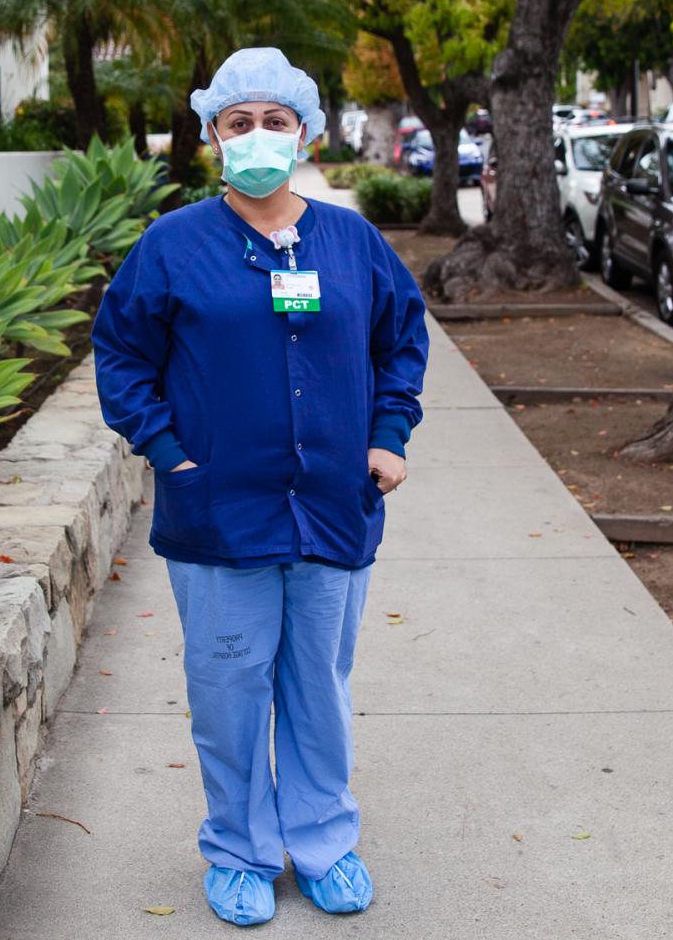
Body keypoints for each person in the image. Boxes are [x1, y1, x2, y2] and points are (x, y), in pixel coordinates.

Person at [90, 46, 429, 927]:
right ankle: (239, 849)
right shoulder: (172, 246)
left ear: (307, 132)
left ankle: (320, 841)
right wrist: (170, 451)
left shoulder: (351, 242)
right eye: (238, 122)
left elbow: (401, 341)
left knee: (317, 687)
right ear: (211, 136)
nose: (258, 136)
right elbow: (122, 355)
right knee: (229, 691)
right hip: (218, 513)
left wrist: (388, 437)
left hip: (331, 507)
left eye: (276, 121)